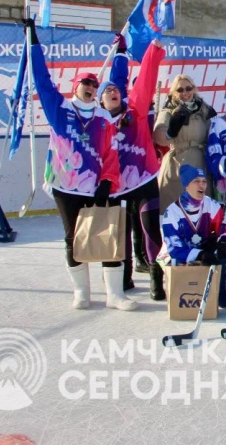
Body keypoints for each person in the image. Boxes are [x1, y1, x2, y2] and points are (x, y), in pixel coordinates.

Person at [24, 18, 132, 311]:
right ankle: (82, 293)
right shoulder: (59, 109)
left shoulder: (103, 118)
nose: (91, 86)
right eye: (86, 83)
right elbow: (42, 78)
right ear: (76, 86)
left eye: (94, 84)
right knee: (72, 237)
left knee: (109, 235)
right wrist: (32, 39)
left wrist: (121, 51)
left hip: (97, 186)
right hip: (65, 184)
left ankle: (115, 295)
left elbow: (118, 83)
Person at [100, 34, 165, 298]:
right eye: (108, 92)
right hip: (115, 186)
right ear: (101, 101)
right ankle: (123, 279)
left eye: (116, 91)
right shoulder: (97, 122)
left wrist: (152, 51)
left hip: (144, 180)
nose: (114, 92)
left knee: (151, 231)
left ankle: (155, 280)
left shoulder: (135, 110)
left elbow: (146, 79)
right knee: (120, 235)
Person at [157, 166, 226, 282]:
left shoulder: (211, 205)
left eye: (204, 182)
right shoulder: (172, 212)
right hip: (179, 253)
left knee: (220, 251)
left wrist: (225, 238)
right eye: (196, 181)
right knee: (174, 261)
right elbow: (174, 247)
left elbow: (225, 226)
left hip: (204, 249)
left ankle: (219, 292)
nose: (201, 185)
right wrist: (199, 254)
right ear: (186, 185)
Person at [153, 74, 216, 211]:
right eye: (180, 90)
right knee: (175, 210)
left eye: (188, 88)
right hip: (177, 164)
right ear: (174, 93)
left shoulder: (204, 110)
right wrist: (170, 132)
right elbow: (159, 136)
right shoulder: (169, 110)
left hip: (200, 163)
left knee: (200, 209)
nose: (185, 93)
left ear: (194, 89)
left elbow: (215, 132)